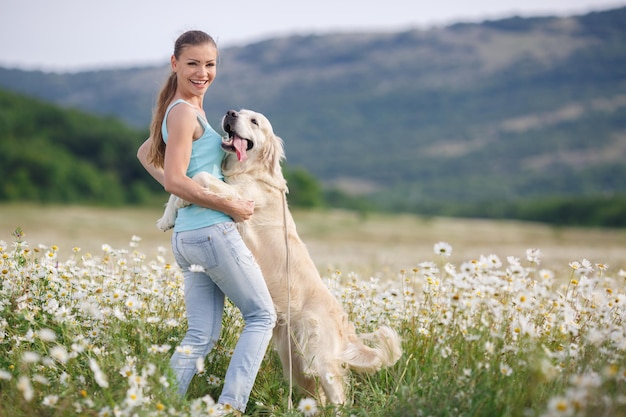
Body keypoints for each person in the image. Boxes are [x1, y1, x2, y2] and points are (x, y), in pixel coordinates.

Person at [136, 30, 276, 415]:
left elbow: (146, 153)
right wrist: (226, 205)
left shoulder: (184, 110)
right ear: (175, 64)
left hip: (187, 237)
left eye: (210, 64)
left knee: (200, 335)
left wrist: (179, 201)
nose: (202, 72)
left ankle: (156, 406)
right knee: (262, 316)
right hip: (212, 234)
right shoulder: (182, 111)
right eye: (193, 63)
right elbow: (175, 178)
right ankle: (230, 406)